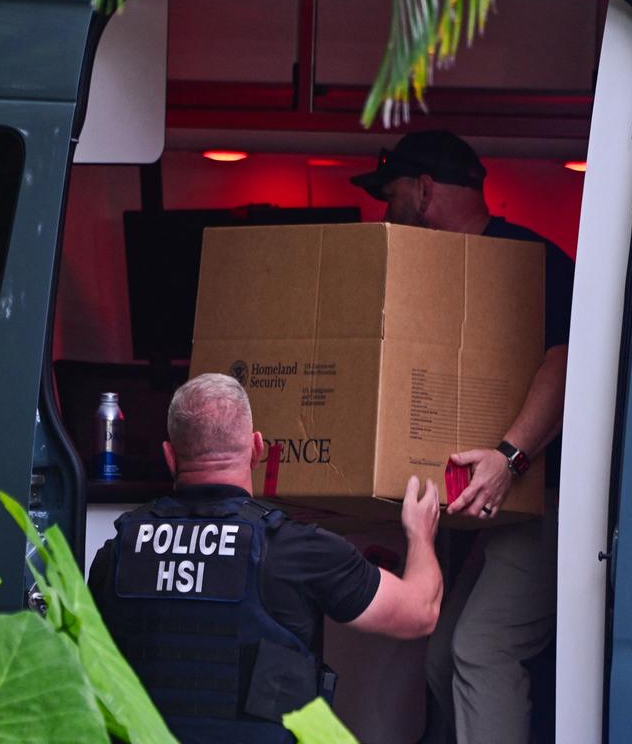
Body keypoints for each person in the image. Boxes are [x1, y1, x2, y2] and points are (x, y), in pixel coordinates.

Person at [351, 130, 574, 744]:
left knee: (479, 649)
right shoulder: (435, 276)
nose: (384, 211)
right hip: (492, 517)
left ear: (424, 191)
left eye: (391, 195)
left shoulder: (528, 261)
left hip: (547, 506)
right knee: (443, 655)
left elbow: (567, 363)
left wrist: (510, 458)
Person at [88, 372, 443, 744]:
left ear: (169, 456)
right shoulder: (296, 549)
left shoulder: (119, 551)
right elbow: (420, 613)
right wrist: (421, 535)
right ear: (258, 449)